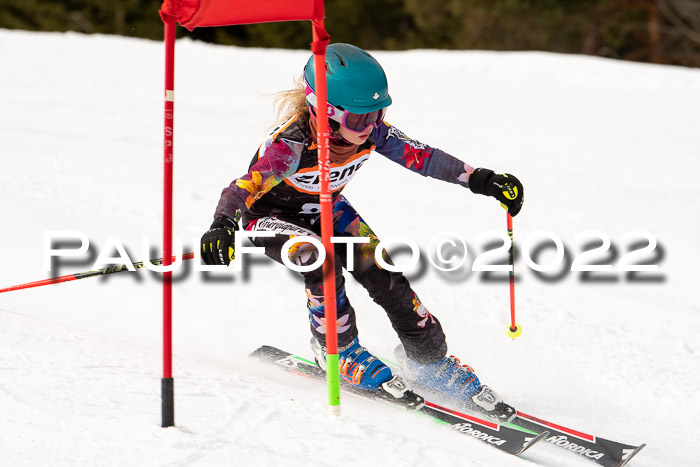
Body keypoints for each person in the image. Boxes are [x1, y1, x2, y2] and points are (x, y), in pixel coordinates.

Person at [200, 43, 524, 422]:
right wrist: (221, 225)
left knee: (380, 268)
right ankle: (338, 352)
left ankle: (427, 360)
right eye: (358, 119)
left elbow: (425, 158)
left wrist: (482, 180)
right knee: (318, 257)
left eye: (377, 113)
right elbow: (241, 189)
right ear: (326, 111)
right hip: (268, 216)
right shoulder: (290, 146)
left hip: (327, 206)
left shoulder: (373, 133)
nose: (370, 126)